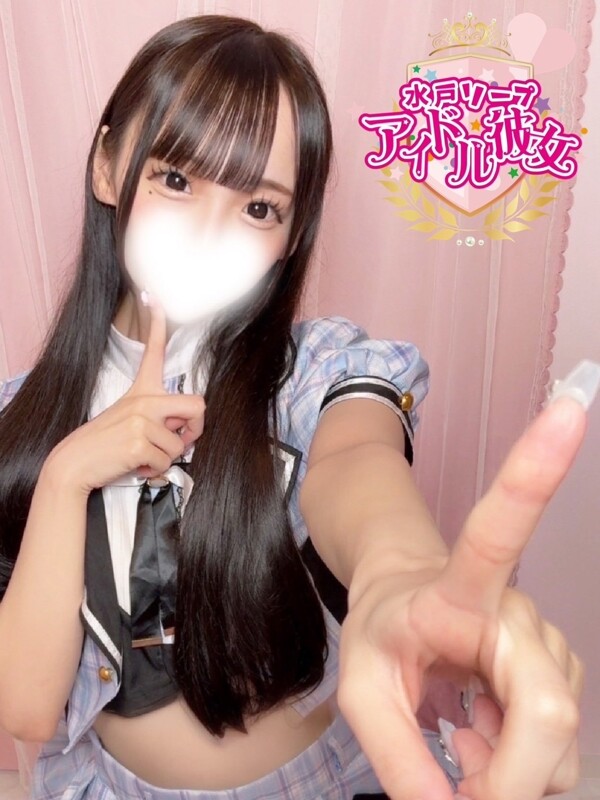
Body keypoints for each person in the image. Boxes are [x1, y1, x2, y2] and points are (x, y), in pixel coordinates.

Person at [0, 13, 587, 800]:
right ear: (108, 167)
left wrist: (399, 573)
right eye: (176, 179)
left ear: (290, 233)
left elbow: (356, 459)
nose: (209, 233)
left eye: (259, 208)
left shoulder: (311, 371)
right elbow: (26, 709)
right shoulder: (23, 417)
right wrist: (70, 470)